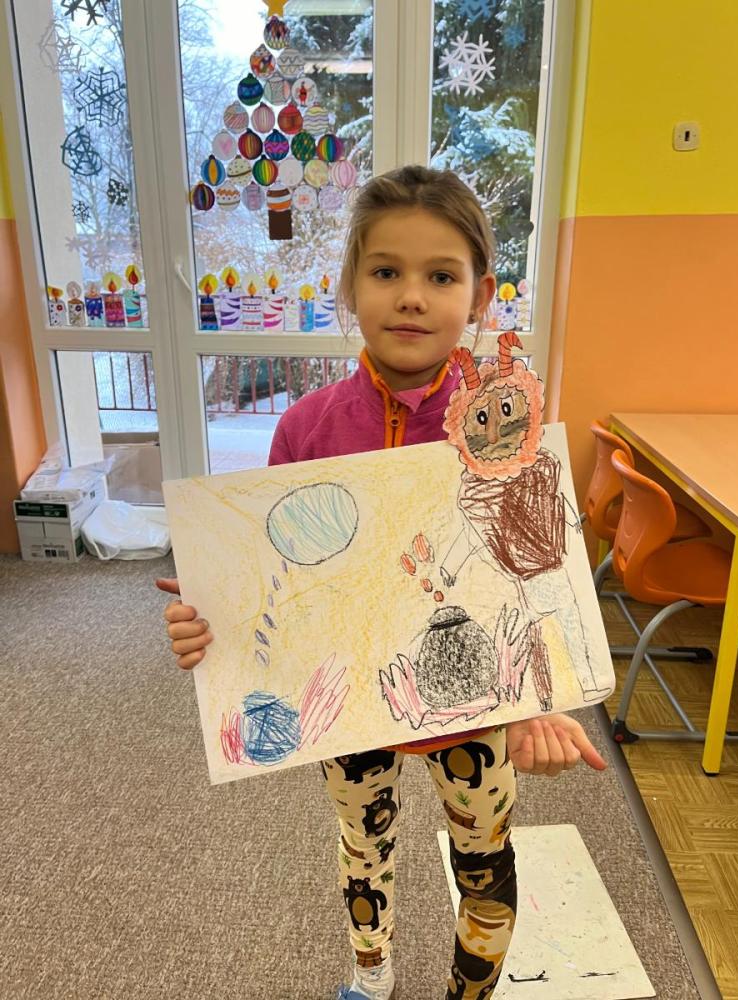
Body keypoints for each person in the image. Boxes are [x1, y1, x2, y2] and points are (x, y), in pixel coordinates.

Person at [157, 165, 607, 1000]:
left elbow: (530, 572)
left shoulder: (503, 430)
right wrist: (210, 623)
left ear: (480, 298)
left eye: (441, 276)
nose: (411, 297)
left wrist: (542, 695)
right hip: (349, 703)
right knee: (363, 849)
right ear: (350, 287)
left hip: (478, 709)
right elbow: (278, 583)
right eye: (387, 271)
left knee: (485, 861)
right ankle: (371, 973)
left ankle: (470, 992)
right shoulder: (304, 429)